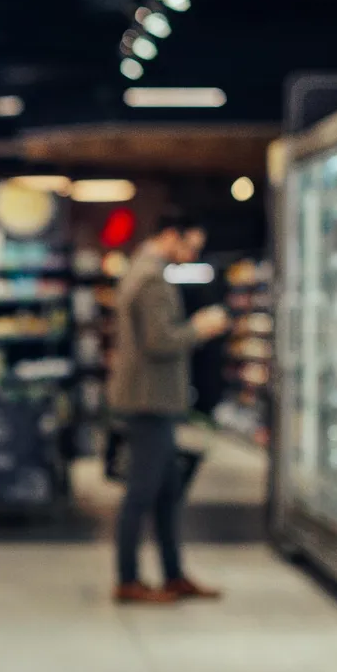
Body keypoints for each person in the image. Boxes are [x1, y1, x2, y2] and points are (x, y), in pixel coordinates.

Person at [108, 212, 230, 603]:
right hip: (150, 400)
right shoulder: (151, 277)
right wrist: (201, 327)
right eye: (190, 245)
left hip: (151, 398)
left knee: (167, 491)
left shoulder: (142, 271)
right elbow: (159, 341)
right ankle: (128, 580)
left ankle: (173, 573)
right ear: (171, 236)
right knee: (142, 492)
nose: (191, 254)